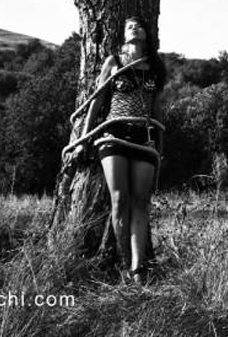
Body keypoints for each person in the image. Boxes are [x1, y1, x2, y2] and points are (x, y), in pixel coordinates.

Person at [73, 16, 166, 284]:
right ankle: (126, 263)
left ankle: (139, 269)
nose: (135, 28)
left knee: (140, 202)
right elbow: (97, 101)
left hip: (143, 137)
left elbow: (157, 108)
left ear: (147, 35)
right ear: (123, 35)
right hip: (113, 134)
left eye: (139, 25)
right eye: (129, 26)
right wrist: (82, 138)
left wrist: (161, 147)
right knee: (120, 199)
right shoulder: (113, 62)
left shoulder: (156, 67)